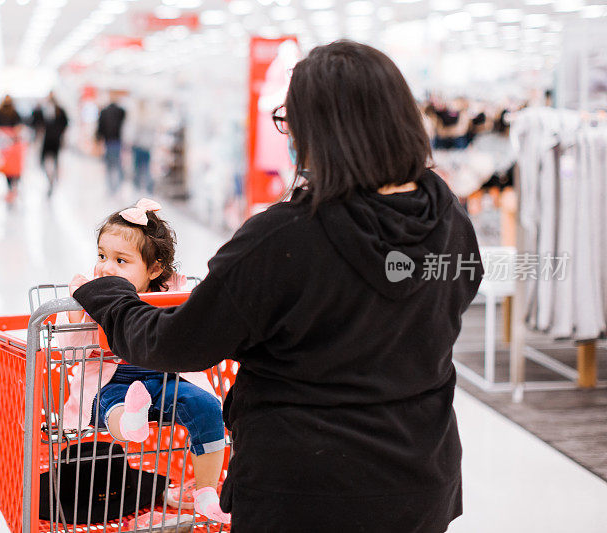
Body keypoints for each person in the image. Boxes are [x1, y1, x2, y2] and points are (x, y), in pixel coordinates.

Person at [69, 40, 483, 532]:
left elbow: (178, 343)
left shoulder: (283, 237)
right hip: (419, 481)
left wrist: (109, 296)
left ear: (321, 133)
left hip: (303, 489)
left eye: (289, 121)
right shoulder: (450, 219)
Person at [57, 198, 231, 527]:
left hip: (164, 378)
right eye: (102, 256)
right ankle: (131, 421)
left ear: (154, 269)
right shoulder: (90, 292)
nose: (106, 268)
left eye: (121, 261)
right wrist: (77, 315)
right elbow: (70, 348)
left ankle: (207, 491)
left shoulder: (171, 291)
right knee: (110, 404)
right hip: (112, 379)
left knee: (207, 406)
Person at [33, 92, 69, 195]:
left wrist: (60, 134)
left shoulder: (59, 111)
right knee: (43, 161)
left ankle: (53, 178)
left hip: (54, 139)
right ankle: (50, 178)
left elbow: (65, 123)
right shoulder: (43, 110)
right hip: (47, 139)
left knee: (54, 160)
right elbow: (37, 123)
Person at [0, 95, 23, 202]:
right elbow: (19, 126)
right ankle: (14, 183)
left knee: (8, 165)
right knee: (13, 165)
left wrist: (2, 133)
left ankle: (10, 185)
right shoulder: (14, 112)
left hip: (4, 143)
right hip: (12, 142)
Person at [96, 95, 126, 194]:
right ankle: (117, 187)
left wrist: (98, 139)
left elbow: (100, 128)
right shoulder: (121, 112)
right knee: (117, 165)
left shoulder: (104, 111)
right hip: (117, 141)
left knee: (109, 166)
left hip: (108, 142)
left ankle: (110, 188)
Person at [129, 100, 155, 194]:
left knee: (137, 168)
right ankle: (148, 188)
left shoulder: (138, 118)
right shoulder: (150, 117)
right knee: (146, 168)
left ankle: (137, 187)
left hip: (139, 146)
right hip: (147, 147)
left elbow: (135, 133)